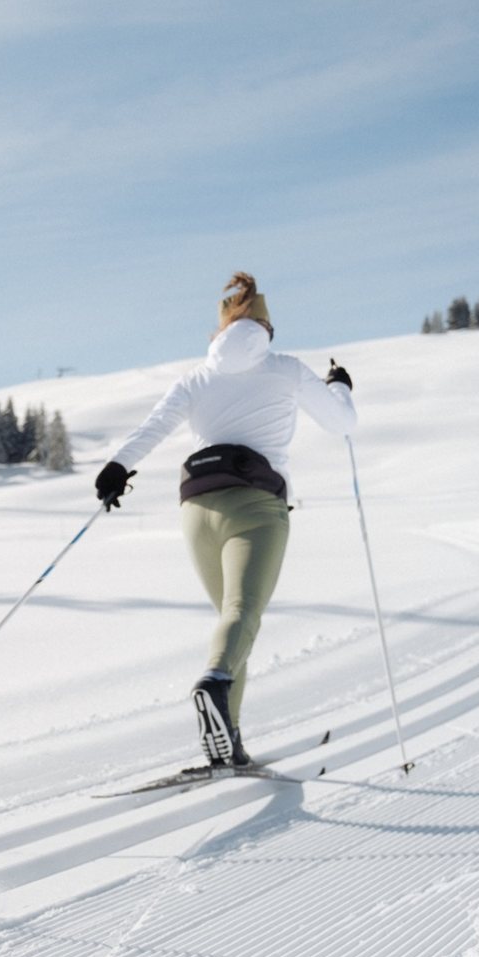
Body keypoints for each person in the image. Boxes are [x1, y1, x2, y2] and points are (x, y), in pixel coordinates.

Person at [93, 272, 354, 768]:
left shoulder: (196, 377)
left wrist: (116, 467)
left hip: (195, 509)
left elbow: (154, 428)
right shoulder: (286, 369)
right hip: (256, 507)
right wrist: (339, 388)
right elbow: (343, 424)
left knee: (233, 623)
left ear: (220, 332)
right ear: (265, 329)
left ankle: (226, 741)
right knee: (242, 617)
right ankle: (213, 685)